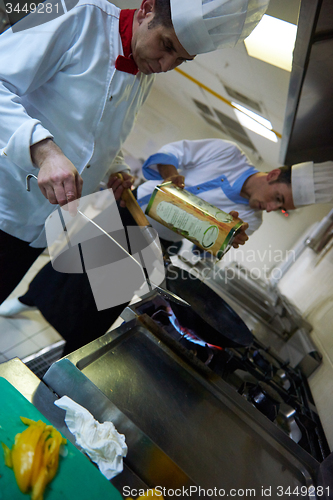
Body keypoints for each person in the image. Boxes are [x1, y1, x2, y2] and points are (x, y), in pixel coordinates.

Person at [0, 0, 270, 352]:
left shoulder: (142, 76)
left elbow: (101, 140)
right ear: (145, 10)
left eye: (180, 61)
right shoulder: (80, 15)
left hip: (33, 230)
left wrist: (117, 169)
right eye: (168, 46)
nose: (165, 65)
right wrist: (44, 150)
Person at [2, 138, 333, 355]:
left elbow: (204, 244)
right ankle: (28, 299)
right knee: (75, 267)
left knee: (106, 300)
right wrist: (172, 175)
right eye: (277, 198)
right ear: (273, 174)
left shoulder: (251, 219)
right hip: (130, 210)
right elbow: (175, 152)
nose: (272, 208)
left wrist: (220, 234)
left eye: (281, 207)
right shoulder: (228, 154)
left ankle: (73, 351)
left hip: (158, 242)